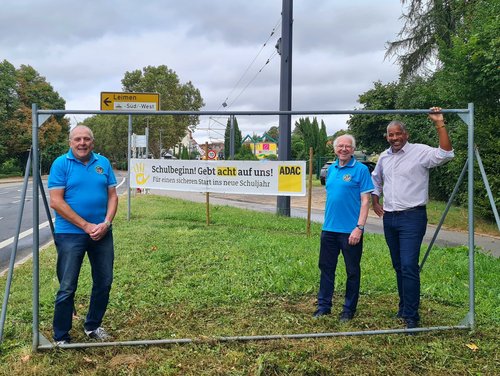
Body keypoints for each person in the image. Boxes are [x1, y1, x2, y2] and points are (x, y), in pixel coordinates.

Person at [371, 107, 454, 329]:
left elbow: (446, 154)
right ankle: (404, 306)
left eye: (398, 134)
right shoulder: (384, 157)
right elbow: (376, 180)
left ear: (406, 135)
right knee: (398, 265)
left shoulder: (419, 152)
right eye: (391, 135)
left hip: (412, 217)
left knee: (408, 265)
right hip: (390, 219)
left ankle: (411, 316)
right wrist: (375, 200)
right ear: (387, 137)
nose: (395, 138)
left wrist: (439, 123)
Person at [48, 125, 118, 345]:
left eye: (86, 139)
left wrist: (106, 223)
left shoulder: (103, 163)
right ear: (70, 142)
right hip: (70, 234)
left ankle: (93, 326)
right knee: (67, 285)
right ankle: (61, 335)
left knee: (104, 281)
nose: (82, 143)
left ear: (92, 142)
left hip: (102, 233)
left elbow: (113, 196)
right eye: (77, 139)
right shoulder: (61, 164)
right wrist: (86, 225)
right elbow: (56, 201)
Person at [314, 134, 374, 321]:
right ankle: (324, 306)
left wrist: (359, 227)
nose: (344, 149)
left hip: (351, 231)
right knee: (326, 268)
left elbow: (366, 201)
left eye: (348, 146)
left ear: (353, 149)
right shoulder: (331, 169)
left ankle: (348, 310)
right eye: (340, 146)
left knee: (352, 271)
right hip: (329, 229)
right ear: (335, 149)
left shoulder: (361, 170)